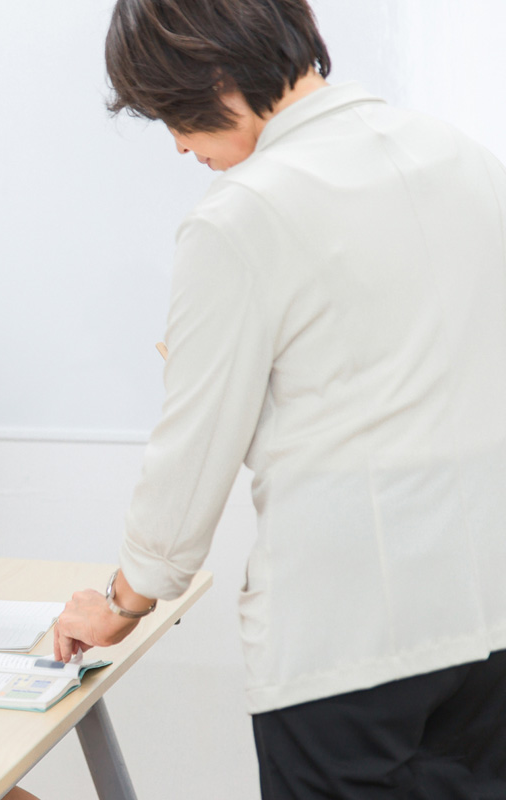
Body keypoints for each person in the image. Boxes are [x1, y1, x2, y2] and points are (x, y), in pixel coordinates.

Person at [53, 1, 506, 797]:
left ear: (211, 75)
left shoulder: (241, 217)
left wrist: (122, 603)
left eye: (172, 115)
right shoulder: (466, 159)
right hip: (489, 615)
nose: (181, 145)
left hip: (351, 646)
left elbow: (190, 454)